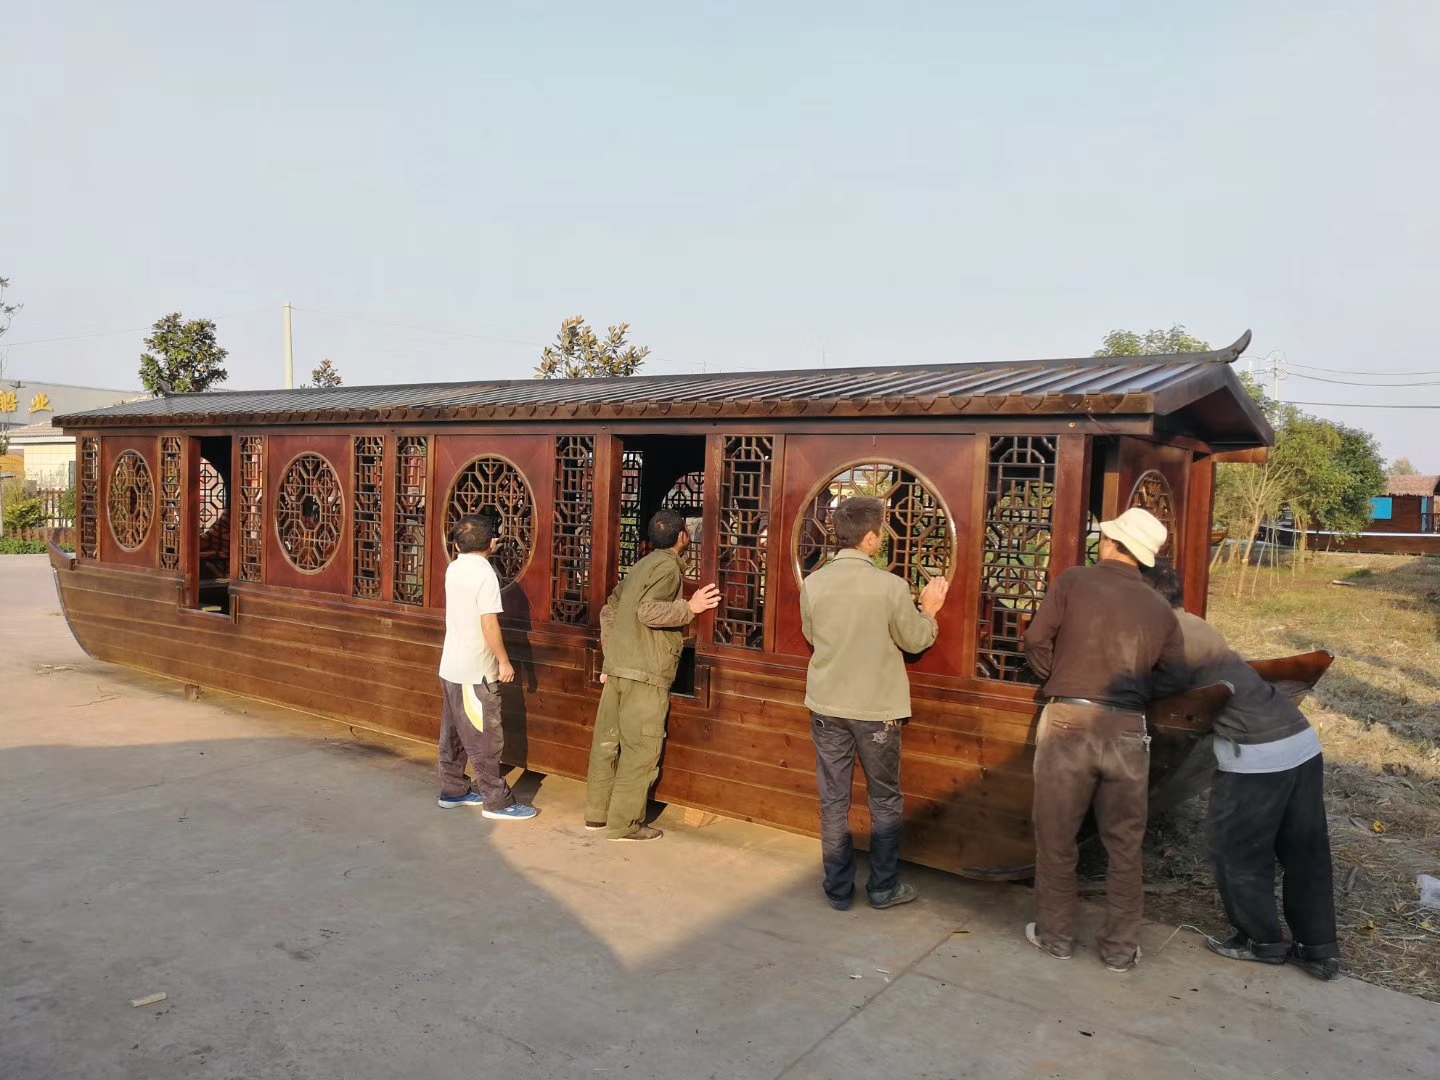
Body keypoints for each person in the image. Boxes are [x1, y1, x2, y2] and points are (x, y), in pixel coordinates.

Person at [1143, 564, 1341, 981]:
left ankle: (1261, 941)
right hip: (1300, 742)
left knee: (1236, 850)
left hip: (1257, 754)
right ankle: (1318, 948)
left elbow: (1159, 688)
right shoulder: (1196, 625)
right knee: (1304, 851)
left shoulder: (1167, 635)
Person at [1021, 506, 1184, 971]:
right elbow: (1175, 675)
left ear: (1112, 544)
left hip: (1069, 721)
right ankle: (1118, 951)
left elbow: (1035, 640)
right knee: (1124, 846)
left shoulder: (1074, 581)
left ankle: (1055, 938)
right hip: (1129, 730)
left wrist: (1064, 679)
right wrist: (1133, 697)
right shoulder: (1159, 608)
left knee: (1056, 838)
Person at [800, 496, 950, 911]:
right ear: (870, 538)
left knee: (834, 799)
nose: (881, 537)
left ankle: (838, 890)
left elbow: (812, 637)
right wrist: (929, 610)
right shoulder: (891, 586)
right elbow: (915, 640)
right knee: (884, 799)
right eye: (881, 531)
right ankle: (883, 887)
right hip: (876, 712)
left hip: (827, 705)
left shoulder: (813, 583)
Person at [585, 510, 721, 841]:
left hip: (619, 669)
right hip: (645, 672)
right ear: (683, 537)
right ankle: (624, 824)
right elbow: (649, 611)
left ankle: (597, 815)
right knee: (640, 748)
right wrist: (692, 608)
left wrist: (611, 657)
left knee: (607, 742)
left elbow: (610, 610)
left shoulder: (641, 566)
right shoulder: (667, 567)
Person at [435, 511, 537, 821]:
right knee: (484, 739)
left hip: (451, 666)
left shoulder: (455, 568)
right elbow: (489, 621)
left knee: (453, 734)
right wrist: (503, 661)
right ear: (492, 542)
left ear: (458, 543)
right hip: (474, 671)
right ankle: (497, 802)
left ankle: (453, 789)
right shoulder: (484, 574)